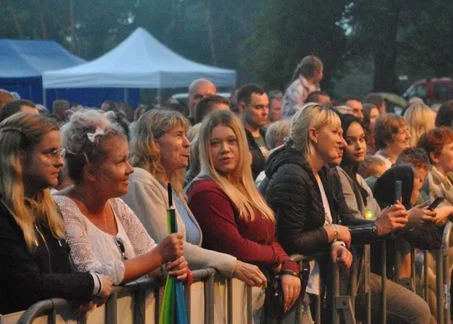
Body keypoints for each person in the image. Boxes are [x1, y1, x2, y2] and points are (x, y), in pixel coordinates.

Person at [264, 104, 431, 323]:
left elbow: (343, 220)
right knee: (417, 312)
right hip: (302, 286)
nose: (342, 142)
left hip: (330, 281)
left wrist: (370, 229)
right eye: (336, 133)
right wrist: (336, 233)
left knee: (419, 311)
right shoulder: (291, 175)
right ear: (314, 134)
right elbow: (290, 240)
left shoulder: (325, 171)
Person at [122, 109, 265, 287]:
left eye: (186, 135)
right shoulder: (140, 180)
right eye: (178, 135)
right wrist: (232, 265)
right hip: (154, 296)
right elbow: (168, 247)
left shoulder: (171, 186)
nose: (187, 143)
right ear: (153, 142)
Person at [187, 110, 299, 319]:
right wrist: (276, 259)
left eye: (232, 141)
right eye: (215, 143)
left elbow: (270, 239)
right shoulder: (205, 191)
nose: (225, 149)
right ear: (204, 149)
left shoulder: (246, 187)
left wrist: (289, 266)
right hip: (225, 304)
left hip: (253, 298)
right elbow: (235, 246)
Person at [54, 110, 187, 285]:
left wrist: (169, 266)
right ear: (90, 172)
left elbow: (148, 253)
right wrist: (159, 256)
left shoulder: (117, 205)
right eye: (120, 162)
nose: (130, 169)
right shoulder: (64, 207)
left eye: (128, 160)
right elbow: (90, 276)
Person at [0, 113, 111, 314]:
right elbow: (28, 284)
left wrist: (77, 294)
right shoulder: (4, 212)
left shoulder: (47, 210)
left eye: (60, 152)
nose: (60, 162)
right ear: (19, 156)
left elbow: (61, 273)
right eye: (50, 153)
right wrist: (89, 285)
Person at [237, 84, 270, 179]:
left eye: (267, 106)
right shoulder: (235, 137)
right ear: (242, 107)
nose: (265, 112)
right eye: (258, 107)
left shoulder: (268, 134)